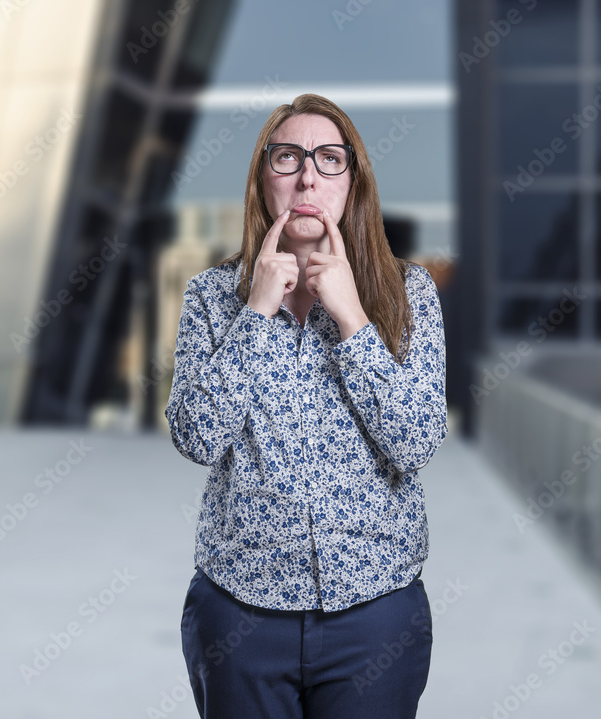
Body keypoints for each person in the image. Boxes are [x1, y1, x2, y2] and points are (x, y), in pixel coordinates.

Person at [164, 93, 448, 718]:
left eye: (328, 159)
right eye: (287, 157)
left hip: (375, 612)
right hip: (241, 616)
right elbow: (196, 437)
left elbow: (418, 442)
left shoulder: (410, 294)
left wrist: (350, 314)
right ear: (264, 181)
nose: (308, 175)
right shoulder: (214, 298)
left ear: (353, 182)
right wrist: (257, 312)